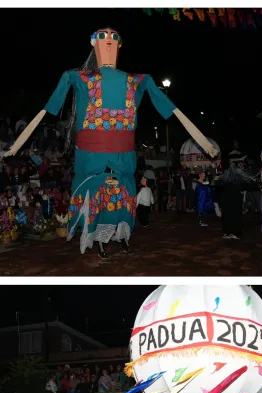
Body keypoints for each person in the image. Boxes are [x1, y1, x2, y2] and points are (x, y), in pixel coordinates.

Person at [3, 28, 215, 258]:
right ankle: (100, 241)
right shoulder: (79, 77)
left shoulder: (137, 80)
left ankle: (123, 238)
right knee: (97, 200)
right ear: (93, 44)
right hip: (92, 158)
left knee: (122, 200)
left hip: (123, 158)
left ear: (120, 45)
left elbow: (172, 108)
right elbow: (47, 109)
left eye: (114, 38)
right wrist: (16, 145)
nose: (109, 42)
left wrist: (203, 141)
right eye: (102, 37)